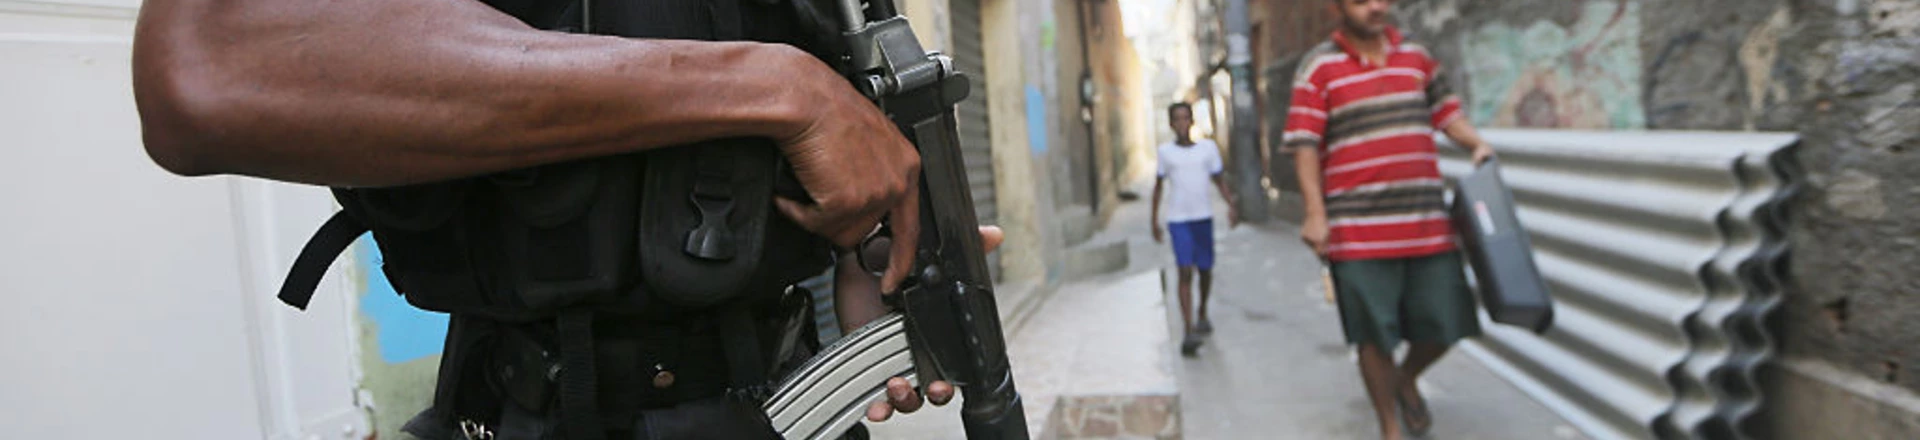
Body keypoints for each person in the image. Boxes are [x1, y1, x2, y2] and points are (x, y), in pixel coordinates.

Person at [130, 0, 990, 437]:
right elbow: (207, 72)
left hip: (778, 392)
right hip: (541, 404)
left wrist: (852, 244)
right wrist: (781, 92)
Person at [1282, 0, 1498, 438]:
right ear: (1336, 7)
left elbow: (1446, 111)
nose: (1376, 7)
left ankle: (1405, 378)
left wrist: (1475, 145)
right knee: (1372, 335)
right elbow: (1304, 142)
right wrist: (1314, 214)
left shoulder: (1415, 56)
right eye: (1362, 1)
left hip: (1426, 223)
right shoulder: (1318, 67)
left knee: (1448, 320)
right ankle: (1389, 426)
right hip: (1357, 231)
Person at [1150, 102, 1238, 358]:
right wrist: (1154, 220)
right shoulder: (1166, 153)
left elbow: (1219, 180)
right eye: (1176, 119)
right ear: (1170, 124)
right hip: (1179, 220)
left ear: (1191, 121)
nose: (1181, 123)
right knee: (1184, 271)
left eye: (1185, 118)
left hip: (1203, 218)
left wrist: (1231, 205)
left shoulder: (1207, 149)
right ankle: (1188, 330)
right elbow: (1158, 187)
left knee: (1205, 269)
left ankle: (1202, 313)